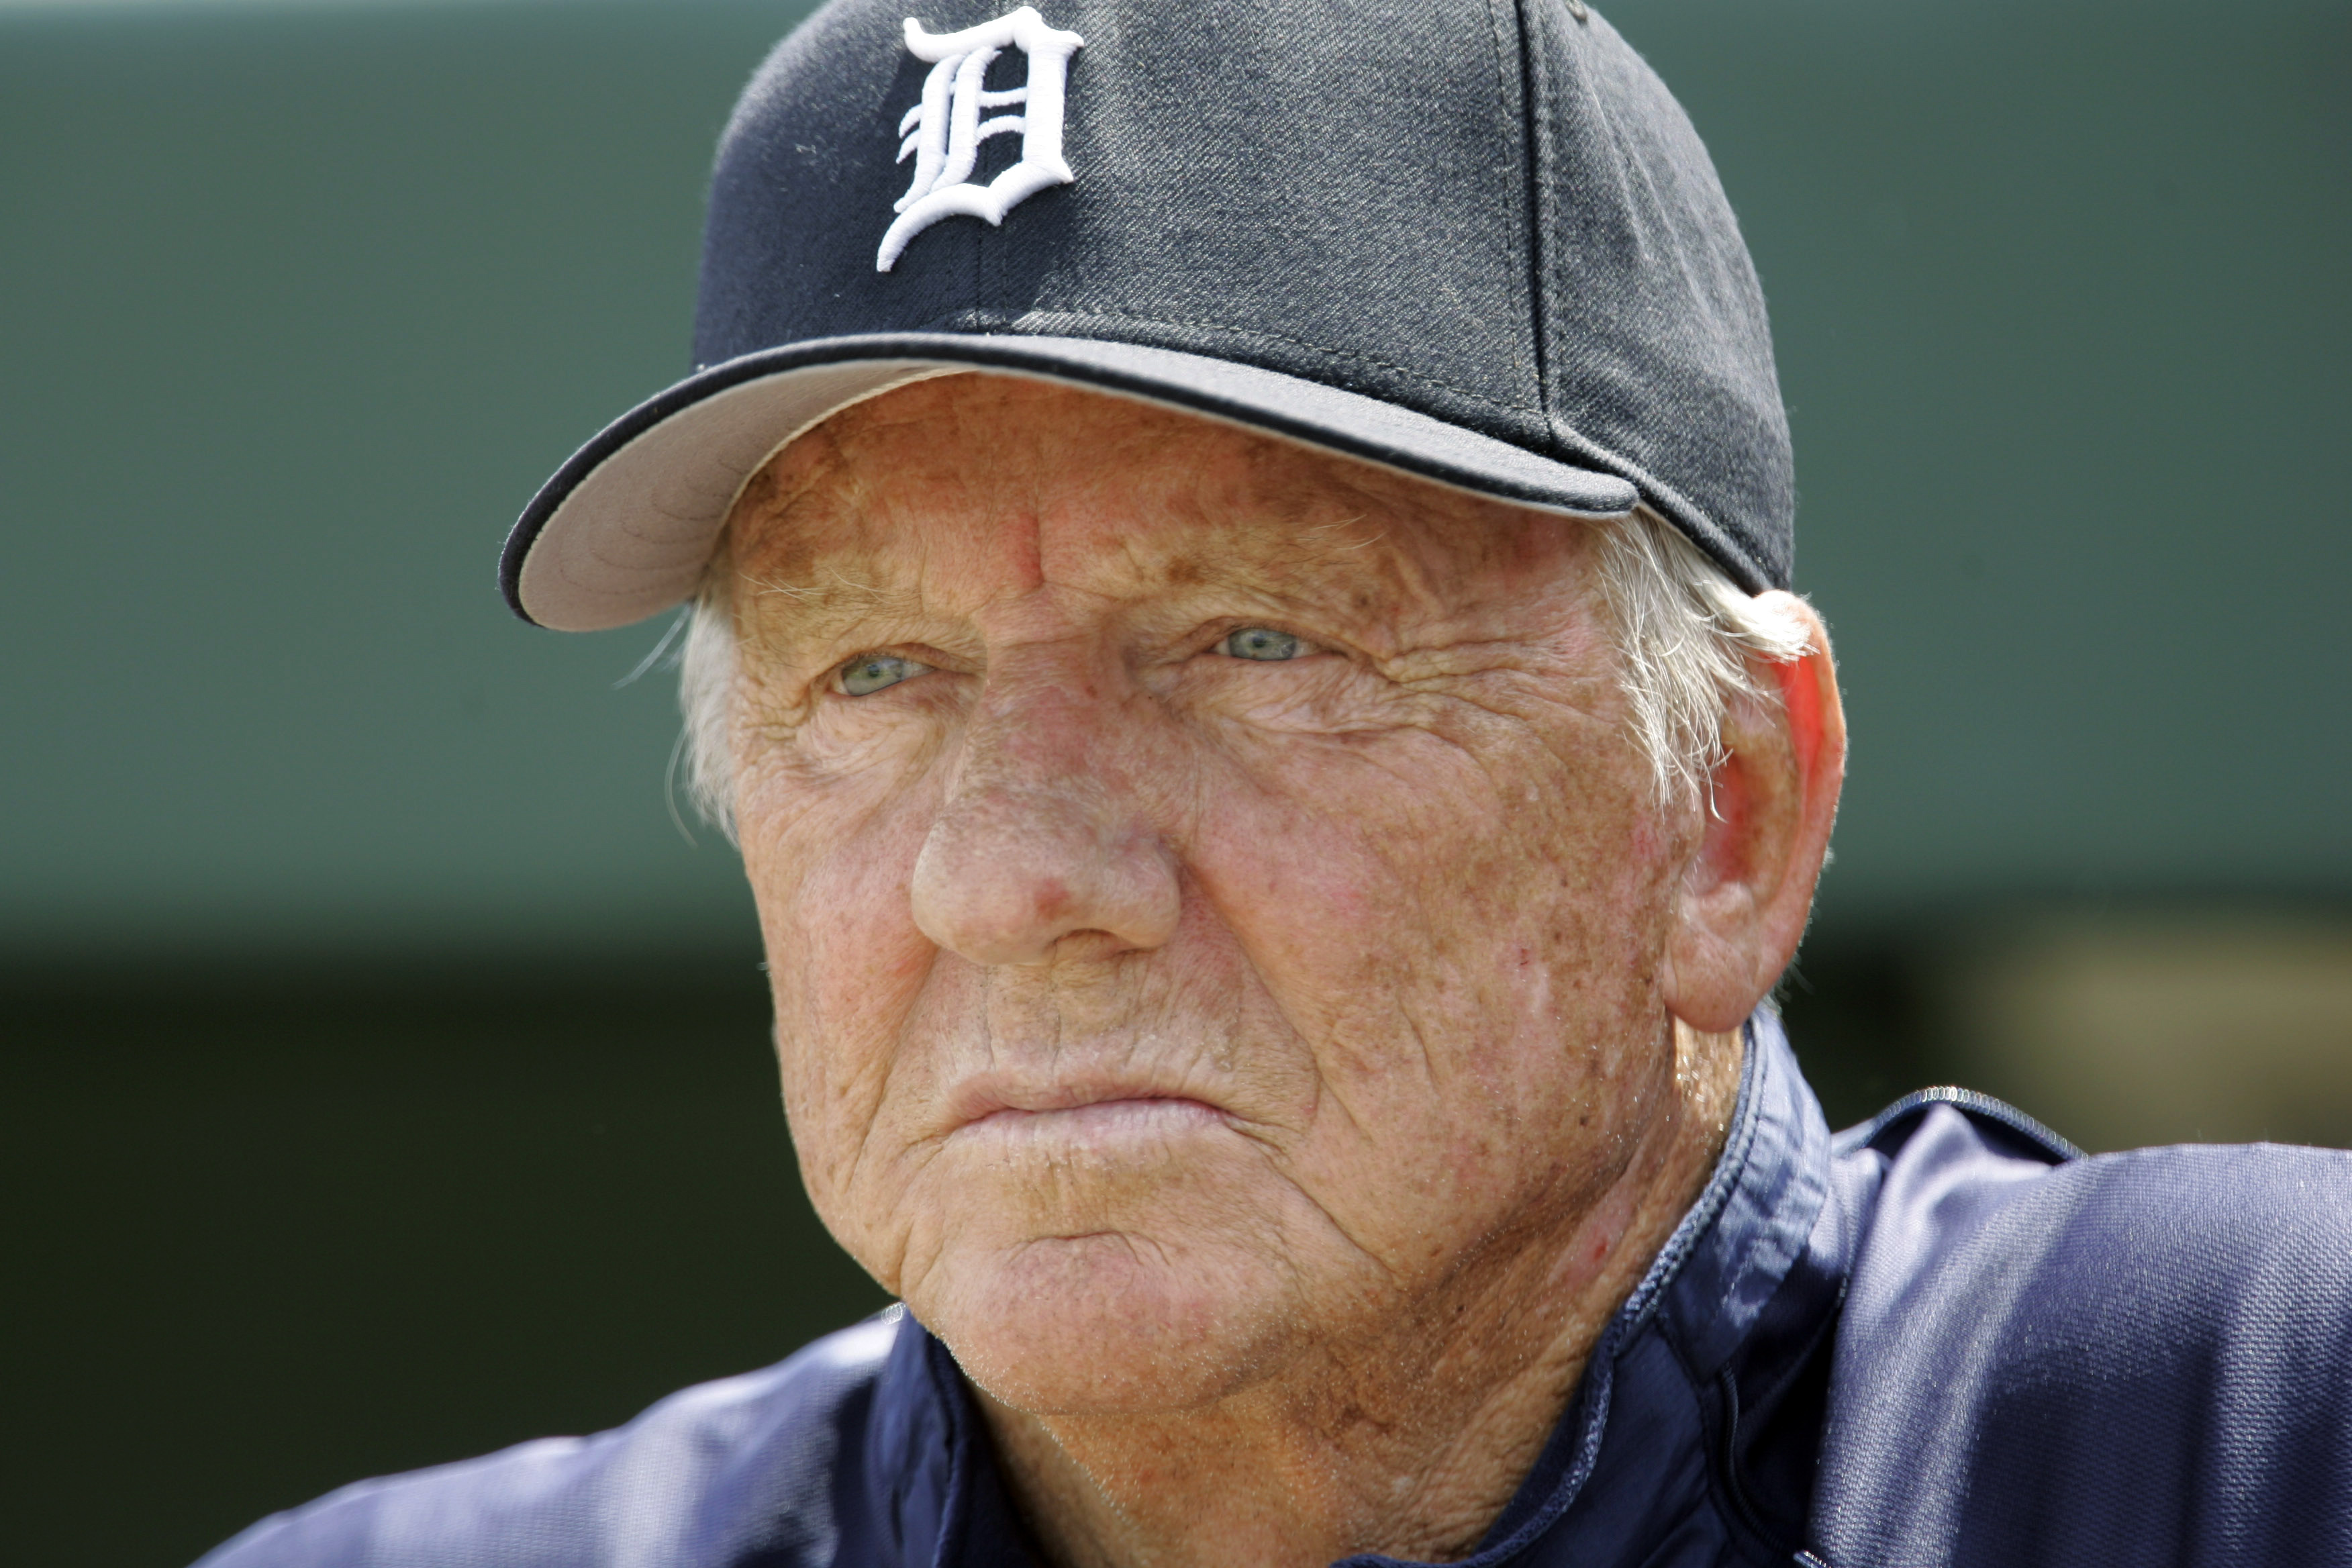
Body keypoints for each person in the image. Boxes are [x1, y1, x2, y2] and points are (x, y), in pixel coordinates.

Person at [199, 2, 2352, 1565]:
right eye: (878, 670)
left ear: (1729, 822)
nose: (1011, 876)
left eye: (1256, 642)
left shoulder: (2254, 1431)